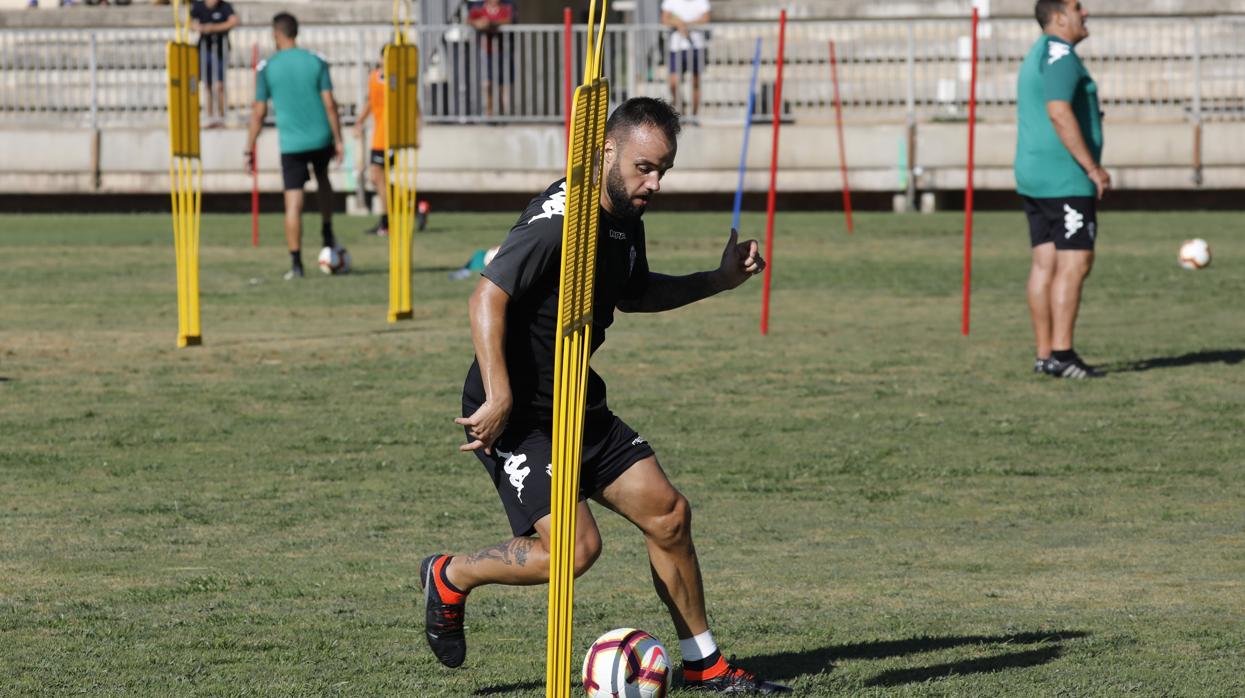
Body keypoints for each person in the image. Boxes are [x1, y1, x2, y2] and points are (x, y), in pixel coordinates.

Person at [419, 98, 790, 694]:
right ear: (607, 150)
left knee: (668, 514)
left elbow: (634, 291)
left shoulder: (622, 215)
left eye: (664, 170)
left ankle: (706, 663)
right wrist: (500, 395)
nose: (655, 183)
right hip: (516, 414)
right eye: (645, 167)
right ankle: (450, 574)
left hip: (576, 399)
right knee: (573, 550)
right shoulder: (559, 221)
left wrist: (718, 280)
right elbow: (485, 297)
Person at [1016, 0, 1109, 379]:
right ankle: (1063, 354)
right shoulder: (1061, 55)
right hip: (1064, 179)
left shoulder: (1037, 52)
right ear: (1058, 17)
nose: (1085, 13)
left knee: (1045, 262)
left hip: (1034, 173)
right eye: (1076, 7)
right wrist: (1092, 167)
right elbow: (1058, 110)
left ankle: (1045, 355)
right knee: (1075, 263)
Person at [245, 12, 345, 280]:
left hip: (292, 143)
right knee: (323, 178)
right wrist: (339, 139)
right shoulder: (316, 61)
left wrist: (249, 147)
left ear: (276, 34)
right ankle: (326, 227)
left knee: (293, 200)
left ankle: (296, 263)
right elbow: (330, 104)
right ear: (296, 33)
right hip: (321, 136)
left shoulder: (267, 68)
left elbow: (258, 112)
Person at [354, 47, 428, 237]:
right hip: (378, 136)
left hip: (392, 137)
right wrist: (359, 121)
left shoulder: (398, 80)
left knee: (379, 176)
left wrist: (416, 131)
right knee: (377, 179)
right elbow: (371, 102)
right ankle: (413, 205)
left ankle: (386, 222)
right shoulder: (374, 77)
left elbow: (414, 104)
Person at [189, 0, 239, 128]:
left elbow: (234, 21)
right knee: (208, 84)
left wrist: (212, 28)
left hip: (220, 50)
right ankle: (210, 117)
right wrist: (200, 28)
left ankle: (222, 116)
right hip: (205, 50)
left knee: (219, 85)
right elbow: (190, 23)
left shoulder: (225, 6)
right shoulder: (198, 6)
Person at [661, 0, 710, 119]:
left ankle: (694, 116)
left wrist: (684, 24)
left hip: (697, 47)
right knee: (673, 83)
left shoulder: (701, 1)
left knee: (695, 82)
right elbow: (665, 19)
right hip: (676, 47)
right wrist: (678, 24)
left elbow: (706, 18)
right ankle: (681, 111)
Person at [466, 0, 515, 117]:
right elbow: (469, 20)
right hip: (486, 52)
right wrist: (477, 23)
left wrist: (491, 23)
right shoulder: (479, 9)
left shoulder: (505, 8)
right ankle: (490, 111)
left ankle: (502, 112)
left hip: (502, 51)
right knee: (488, 83)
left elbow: (508, 20)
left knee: (502, 83)